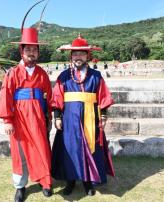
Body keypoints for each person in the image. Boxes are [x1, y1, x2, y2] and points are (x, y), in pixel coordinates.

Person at [51, 34, 115, 196]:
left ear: (88, 55)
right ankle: (70, 181)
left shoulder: (96, 76)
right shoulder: (64, 76)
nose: (78, 56)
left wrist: (103, 115)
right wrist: (57, 116)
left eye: (81, 53)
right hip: (69, 119)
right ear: (71, 56)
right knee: (71, 149)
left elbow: (103, 95)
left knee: (90, 148)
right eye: (75, 53)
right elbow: (57, 96)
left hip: (90, 117)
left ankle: (88, 182)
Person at [0, 27, 53, 202]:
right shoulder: (12, 74)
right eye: (28, 49)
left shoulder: (42, 74)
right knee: (20, 154)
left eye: (34, 50)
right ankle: (20, 186)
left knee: (42, 150)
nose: (31, 53)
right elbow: (6, 96)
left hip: (38, 120)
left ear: (38, 53)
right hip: (19, 120)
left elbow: (48, 96)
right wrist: (7, 120)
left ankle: (45, 182)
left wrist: (50, 116)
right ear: (22, 51)